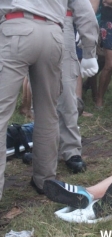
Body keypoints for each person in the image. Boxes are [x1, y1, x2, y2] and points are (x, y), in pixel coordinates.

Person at [0, 0, 68, 198]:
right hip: (53, 32)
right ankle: (45, 180)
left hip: (16, 27)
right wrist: (89, 51)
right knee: (48, 112)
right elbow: (84, 9)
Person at [58, 1, 99, 173]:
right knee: (43, 95)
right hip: (20, 24)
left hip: (59, 23)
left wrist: (89, 50)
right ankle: (44, 148)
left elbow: (85, 11)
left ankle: (71, 149)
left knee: (67, 92)